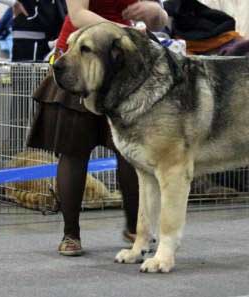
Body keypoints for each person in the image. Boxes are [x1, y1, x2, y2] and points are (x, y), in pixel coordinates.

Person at [27, 0, 168, 256]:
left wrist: (156, 13)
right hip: (79, 63)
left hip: (121, 69)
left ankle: (136, 229)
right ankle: (71, 233)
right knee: (74, 152)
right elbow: (78, 15)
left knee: (130, 154)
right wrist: (123, 31)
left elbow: (159, 22)